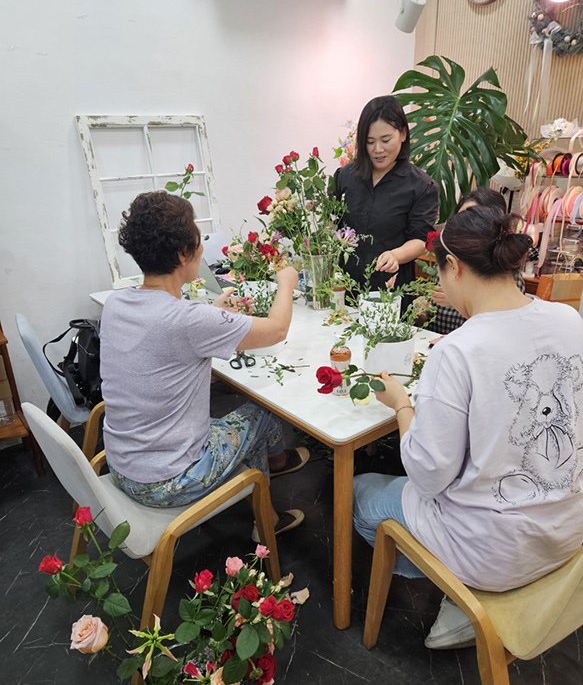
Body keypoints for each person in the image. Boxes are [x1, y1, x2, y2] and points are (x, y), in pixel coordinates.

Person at [353, 206, 583, 649]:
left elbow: (428, 476)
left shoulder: (458, 350)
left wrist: (402, 404)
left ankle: (463, 596)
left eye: (439, 273)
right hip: (567, 533)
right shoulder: (569, 320)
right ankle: (462, 597)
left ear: (454, 266)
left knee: (360, 493)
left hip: (493, 554)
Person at [100, 191, 308, 537]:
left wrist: (214, 315)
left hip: (122, 465)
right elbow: (276, 330)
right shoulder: (189, 320)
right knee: (262, 412)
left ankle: (268, 510)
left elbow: (168, 335)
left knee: (236, 426)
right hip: (168, 481)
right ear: (184, 253)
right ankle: (276, 468)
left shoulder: (116, 304)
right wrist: (285, 283)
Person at [333, 95, 439, 296]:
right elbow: (333, 225)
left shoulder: (421, 186)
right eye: (370, 141)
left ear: (403, 134)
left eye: (386, 140)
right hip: (345, 287)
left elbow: (419, 240)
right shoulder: (345, 177)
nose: (378, 150)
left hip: (391, 290)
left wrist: (396, 255)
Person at [428, 188, 528, 335]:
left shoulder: (507, 275)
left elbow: (504, 328)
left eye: (474, 219)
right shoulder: (447, 261)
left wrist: (460, 304)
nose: (465, 226)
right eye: (461, 218)